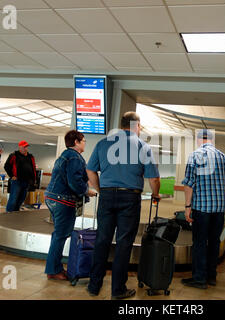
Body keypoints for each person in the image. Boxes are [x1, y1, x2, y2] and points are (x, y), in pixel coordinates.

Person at [86, 111, 160, 300]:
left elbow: (90, 170)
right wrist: (155, 193)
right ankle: (118, 290)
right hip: (130, 198)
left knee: (102, 240)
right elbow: (153, 178)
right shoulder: (143, 147)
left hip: (107, 196)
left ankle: (94, 285)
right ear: (137, 126)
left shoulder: (103, 143)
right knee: (124, 243)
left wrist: (101, 190)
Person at [44, 130, 97, 280]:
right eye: (84, 140)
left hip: (53, 197)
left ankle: (54, 267)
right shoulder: (75, 157)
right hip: (63, 200)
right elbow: (74, 182)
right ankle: (53, 270)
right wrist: (87, 191)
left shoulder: (65, 155)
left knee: (58, 235)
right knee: (60, 236)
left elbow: (79, 176)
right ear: (76, 142)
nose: (85, 143)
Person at [181, 129, 225, 289]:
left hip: (201, 208)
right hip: (219, 209)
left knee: (200, 243)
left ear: (199, 139)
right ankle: (211, 276)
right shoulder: (223, 157)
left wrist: (188, 207)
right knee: (214, 243)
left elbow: (188, 183)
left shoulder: (195, 155)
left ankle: (199, 279)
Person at [4, 140, 37, 212]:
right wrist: (12, 175)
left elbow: (33, 168)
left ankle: (15, 212)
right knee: (13, 199)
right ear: (20, 147)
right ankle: (8, 213)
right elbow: (6, 166)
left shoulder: (30, 157)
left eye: (26, 147)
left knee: (21, 199)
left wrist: (33, 180)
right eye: (24, 147)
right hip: (17, 181)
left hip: (26, 181)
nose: (25, 148)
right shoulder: (14, 155)